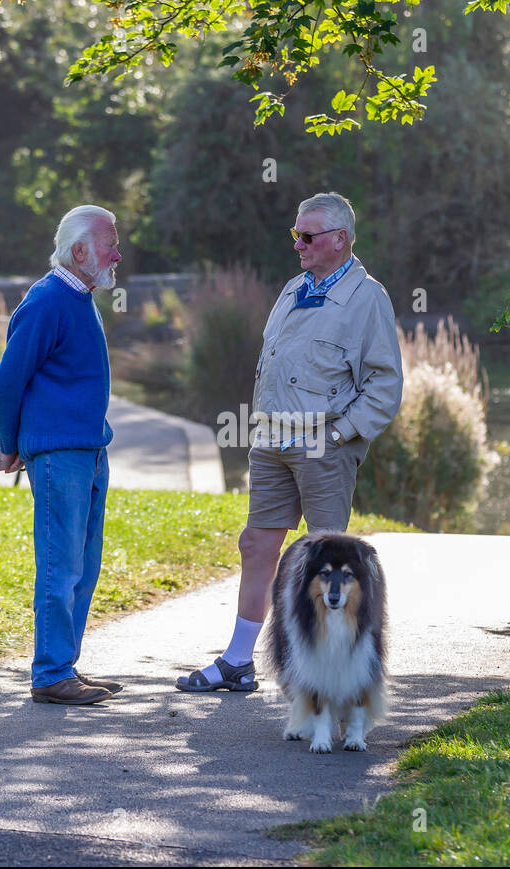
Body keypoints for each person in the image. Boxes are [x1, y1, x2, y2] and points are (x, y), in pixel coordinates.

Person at [176, 191, 404, 692]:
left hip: (325, 445)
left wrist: (341, 433)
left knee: (327, 565)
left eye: (308, 235)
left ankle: (326, 674)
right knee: (256, 545)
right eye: (294, 234)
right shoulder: (293, 288)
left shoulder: (369, 298)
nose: (297, 244)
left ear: (340, 239)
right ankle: (238, 662)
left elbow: (385, 384)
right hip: (271, 441)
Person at [0, 204, 124, 705]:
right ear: (80, 251)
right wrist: (10, 444)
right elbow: (5, 382)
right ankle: (49, 675)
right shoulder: (48, 299)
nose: (118, 252)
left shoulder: (80, 296)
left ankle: (64, 667)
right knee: (60, 566)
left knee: (84, 567)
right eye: (110, 242)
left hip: (89, 451)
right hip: (61, 456)